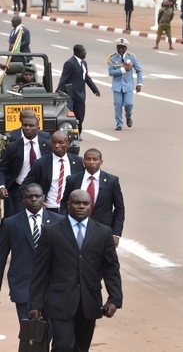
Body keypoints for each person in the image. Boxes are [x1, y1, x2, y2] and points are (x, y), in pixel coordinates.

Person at [29, 189, 123, 351]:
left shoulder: (103, 232)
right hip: (59, 301)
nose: (81, 206)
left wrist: (114, 298)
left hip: (89, 302)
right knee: (63, 345)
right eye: (76, 203)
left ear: (91, 206)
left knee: (81, 348)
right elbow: (40, 270)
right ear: (68, 205)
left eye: (85, 203)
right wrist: (35, 303)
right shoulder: (52, 231)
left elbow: (111, 268)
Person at [0, 184, 63, 321]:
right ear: (23, 200)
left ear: (43, 198)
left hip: (52, 287)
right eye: (29, 197)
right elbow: (1, 257)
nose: (33, 199)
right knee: (30, 332)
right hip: (23, 286)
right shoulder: (10, 223)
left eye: (37, 196)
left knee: (50, 332)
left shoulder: (58, 222)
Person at [60, 148, 125, 247]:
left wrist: (116, 234)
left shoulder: (112, 181)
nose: (91, 162)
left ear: (101, 162)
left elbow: (119, 209)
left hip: (102, 229)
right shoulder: (73, 179)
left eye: (95, 159)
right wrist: (65, 223)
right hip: (76, 227)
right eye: (88, 159)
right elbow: (64, 203)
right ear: (83, 161)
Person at [20, 130, 84, 212]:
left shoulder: (78, 162)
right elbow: (24, 187)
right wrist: (36, 200)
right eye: (54, 142)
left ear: (68, 144)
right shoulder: (41, 163)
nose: (56, 146)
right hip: (48, 209)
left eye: (61, 143)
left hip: (69, 210)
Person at [0, 116, 51, 218]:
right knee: (19, 220)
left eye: (31, 125)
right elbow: (3, 169)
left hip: (42, 189)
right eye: (25, 125)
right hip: (19, 190)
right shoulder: (13, 147)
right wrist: (2, 186)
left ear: (38, 128)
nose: (27, 128)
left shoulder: (47, 145)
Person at [56, 44, 101, 137]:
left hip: (80, 94)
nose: (85, 53)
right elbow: (63, 78)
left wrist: (95, 89)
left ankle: (79, 132)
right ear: (78, 53)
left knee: (80, 116)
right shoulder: (70, 63)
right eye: (84, 52)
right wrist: (57, 92)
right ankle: (70, 133)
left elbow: (86, 78)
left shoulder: (84, 63)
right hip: (70, 94)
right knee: (69, 114)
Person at [107, 37, 143, 130]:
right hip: (117, 85)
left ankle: (128, 116)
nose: (120, 50)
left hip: (128, 85)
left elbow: (139, 70)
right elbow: (111, 72)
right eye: (119, 47)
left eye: (123, 48)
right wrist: (123, 70)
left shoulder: (131, 57)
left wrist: (139, 83)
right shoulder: (112, 58)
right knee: (118, 105)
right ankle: (119, 123)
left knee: (128, 104)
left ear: (126, 48)